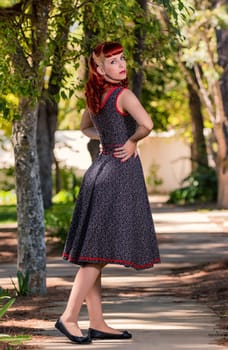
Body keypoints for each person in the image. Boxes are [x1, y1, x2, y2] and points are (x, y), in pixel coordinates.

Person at [55, 41, 160, 344]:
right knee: (96, 256)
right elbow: (147, 124)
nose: (121, 64)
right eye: (112, 61)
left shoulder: (95, 96)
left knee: (95, 252)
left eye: (122, 58)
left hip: (99, 171)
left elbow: (86, 127)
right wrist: (132, 141)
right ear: (100, 68)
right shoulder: (123, 95)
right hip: (116, 175)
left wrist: (107, 136)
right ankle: (69, 317)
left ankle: (97, 322)